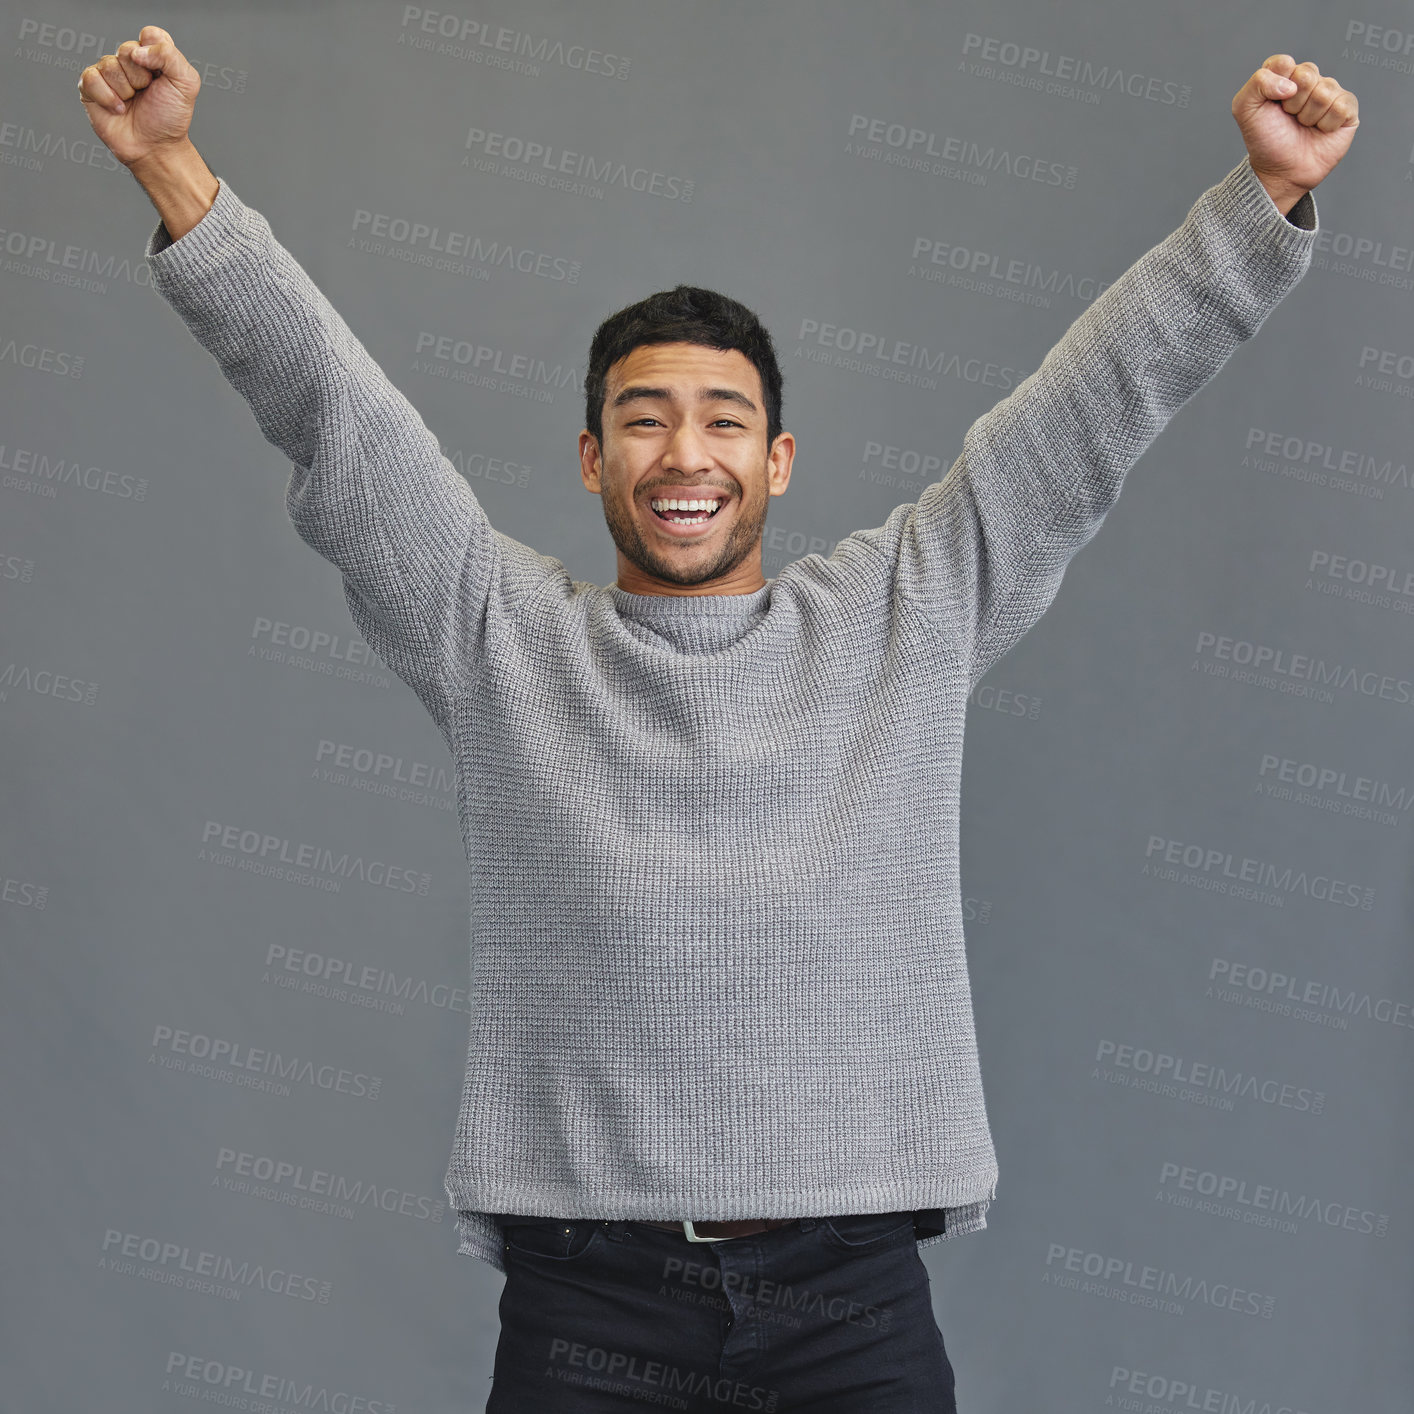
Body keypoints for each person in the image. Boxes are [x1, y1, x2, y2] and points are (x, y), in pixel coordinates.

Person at [79, 27, 1358, 1413]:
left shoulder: (906, 611)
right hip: (588, 1300)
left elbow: (1091, 409)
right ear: (590, 457)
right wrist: (171, 168)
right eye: (642, 419)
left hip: (847, 1296)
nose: (683, 455)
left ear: (776, 458)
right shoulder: (499, 638)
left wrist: (1259, 200)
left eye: (721, 421)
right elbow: (335, 416)